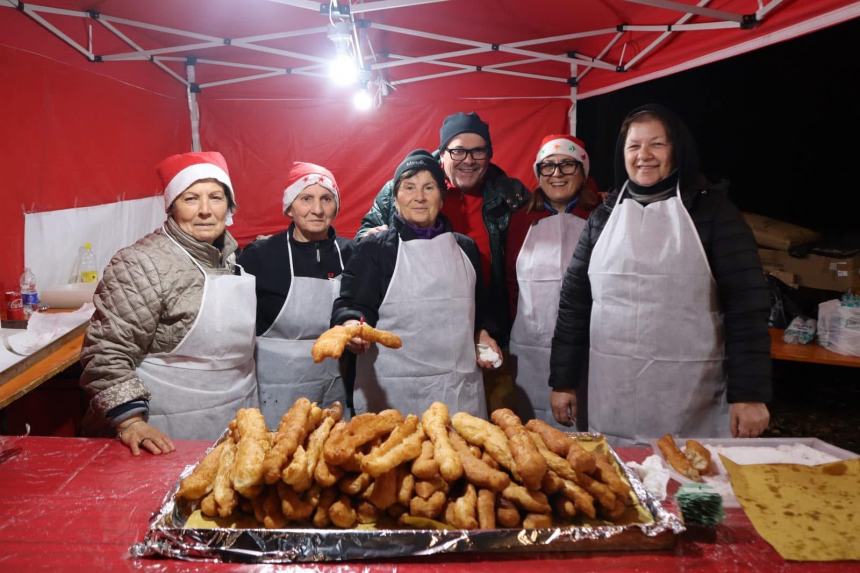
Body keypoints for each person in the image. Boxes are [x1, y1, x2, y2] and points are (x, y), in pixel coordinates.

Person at [549, 103, 772, 445]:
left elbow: (747, 305)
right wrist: (563, 381)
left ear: (677, 149)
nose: (644, 155)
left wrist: (750, 393)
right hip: (613, 393)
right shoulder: (604, 216)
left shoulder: (711, 211)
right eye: (634, 146)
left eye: (657, 144)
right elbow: (574, 303)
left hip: (691, 393)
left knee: (689, 486)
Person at [80, 151, 258, 455]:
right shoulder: (140, 264)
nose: (205, 210)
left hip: (233, 416)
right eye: (191, 199)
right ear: (172, 206)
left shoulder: (230, 257)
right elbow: (106, 351)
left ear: (229, 206)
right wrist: (130, 422)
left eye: (215, 197)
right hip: (165, 430)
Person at [332, 150, 501, 417]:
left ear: (442, 197)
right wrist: (352, 324)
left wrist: (482, 332)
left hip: (457, 390)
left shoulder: (465, 249)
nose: (419, 197)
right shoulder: (375, 249)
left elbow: (479, 310)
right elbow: (352, 304)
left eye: (429, 187)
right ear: (396, 198)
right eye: (409, 187)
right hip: (392, 393)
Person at [356, 112, 529, 344]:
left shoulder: (509, 195)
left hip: (486, 324)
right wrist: (370, 238)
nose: (468, 160)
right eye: (458, 151)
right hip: (413, 322)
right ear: (443, 152)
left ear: (488, 156)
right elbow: (364, 238)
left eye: (478, 151)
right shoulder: (405, 187)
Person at [238, 162, 354, 427]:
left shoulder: (352, 253)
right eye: (306, 199)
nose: (317, 209)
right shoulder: (260, 256)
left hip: (335, 387)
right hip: (274, 392)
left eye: (326, 199)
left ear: (335, 207)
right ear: (289, 207)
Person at [505, 134, 595, 429]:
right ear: (538, 173)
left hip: (587, 344)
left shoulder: (599, 217)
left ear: (582, 172)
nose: (556, 174)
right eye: (548, 166)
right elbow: (509, 283)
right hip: (531, 346)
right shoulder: (520, 221)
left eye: (567, 165)